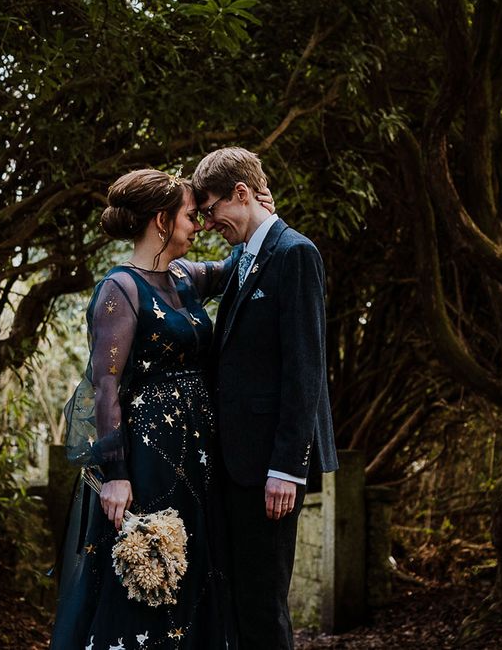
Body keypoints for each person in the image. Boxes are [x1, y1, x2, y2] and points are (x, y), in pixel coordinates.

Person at [50, 168, 272, 650]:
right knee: (152, 576)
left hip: (201, 456)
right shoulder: (120, 290)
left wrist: (259, 212)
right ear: (162, 220)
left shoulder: (184, 276)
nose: (200, 225)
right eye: (192, 216)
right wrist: (115, 475)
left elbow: (240, 264)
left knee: (197, 575)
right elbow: (105, 387)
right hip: (150, 459)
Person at [191, 147, 339, 650]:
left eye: (211, 209)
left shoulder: (295, 253)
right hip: (236, 464)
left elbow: (305, 369)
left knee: (262, 603)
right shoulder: (244, 255)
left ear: (241, 193)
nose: (209, 222)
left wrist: (287, 468)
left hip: (269, 469)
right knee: (235, 599)